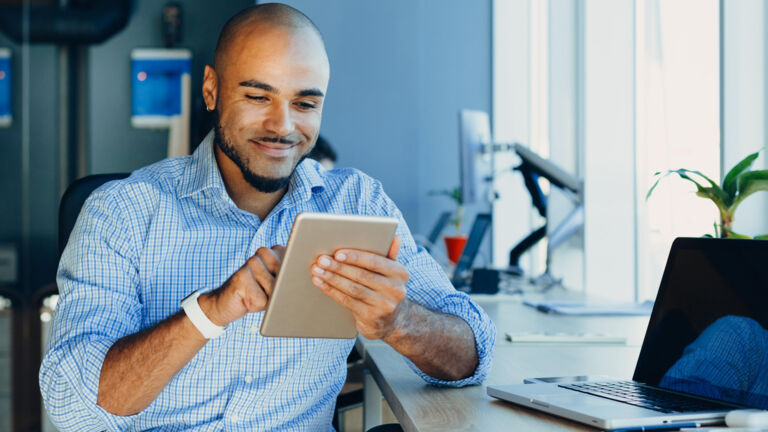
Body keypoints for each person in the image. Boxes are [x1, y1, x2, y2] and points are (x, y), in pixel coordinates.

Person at [39, 3, 496, 431]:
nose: (282, 126)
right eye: (259, 96)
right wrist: (209, 312)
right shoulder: (121, 210)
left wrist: (400, 323)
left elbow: (474, 354)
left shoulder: (357, 202)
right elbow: (71, 405)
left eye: (305, 104)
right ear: (211, 89)